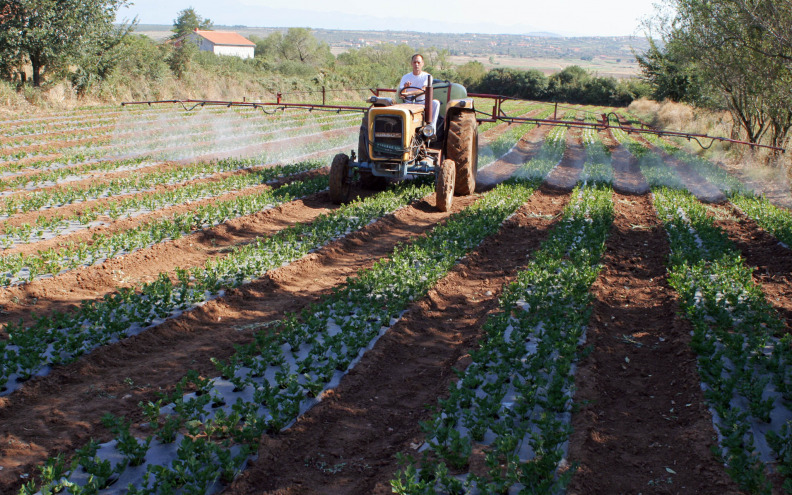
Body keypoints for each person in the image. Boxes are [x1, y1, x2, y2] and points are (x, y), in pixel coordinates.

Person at [398, 53, 440, 134]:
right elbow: (401, 94)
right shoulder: (405, 77)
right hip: (408, 102)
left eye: (418, 62)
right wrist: (405, 88)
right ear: (411, 64)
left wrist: (408, 93)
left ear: (422, 64)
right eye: (414, 62)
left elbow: (423, 90)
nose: (416, 64)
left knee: (435, 103)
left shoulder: (427, 76)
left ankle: (431, 129)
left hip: (423, 102)